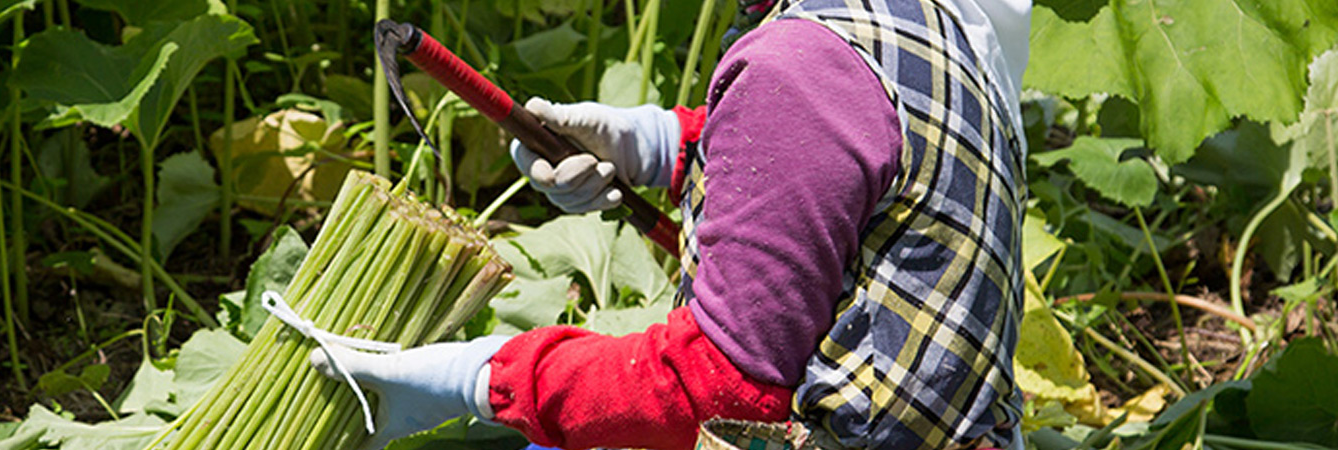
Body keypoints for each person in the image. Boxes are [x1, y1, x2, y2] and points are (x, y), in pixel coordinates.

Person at [311, 0, 1033, 449]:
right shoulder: (934, 31)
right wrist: (665, 144)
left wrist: (484, 378)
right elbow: (849, 171)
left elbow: (723, 392)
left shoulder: (798, 74)